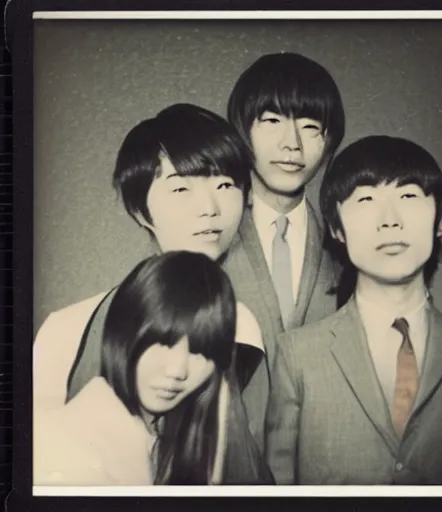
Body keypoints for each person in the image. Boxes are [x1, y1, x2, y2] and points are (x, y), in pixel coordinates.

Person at [33, 104, 273, 484]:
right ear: (140, 210)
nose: (209, 209)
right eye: (181, 187)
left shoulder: (242, 325)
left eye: (225, 185)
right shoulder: (67, 327)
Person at [265, 135, 442, 485]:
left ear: (441, 221)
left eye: (408, 195)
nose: (389, 220)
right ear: (337, 228)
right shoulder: (298, 354)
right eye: (365, 198)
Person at [222, 52, 345, 449]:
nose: (290, 143)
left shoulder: (349, 245)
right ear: (242, 130)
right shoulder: (207, 236)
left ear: (328, 144)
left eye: (310, 126)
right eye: (271, 121)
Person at [34, 252, 236, 485]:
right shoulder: (62, 445)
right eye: (164, 343)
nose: (177, 370)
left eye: (200, 350)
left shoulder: (163, 440)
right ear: (124, 334)